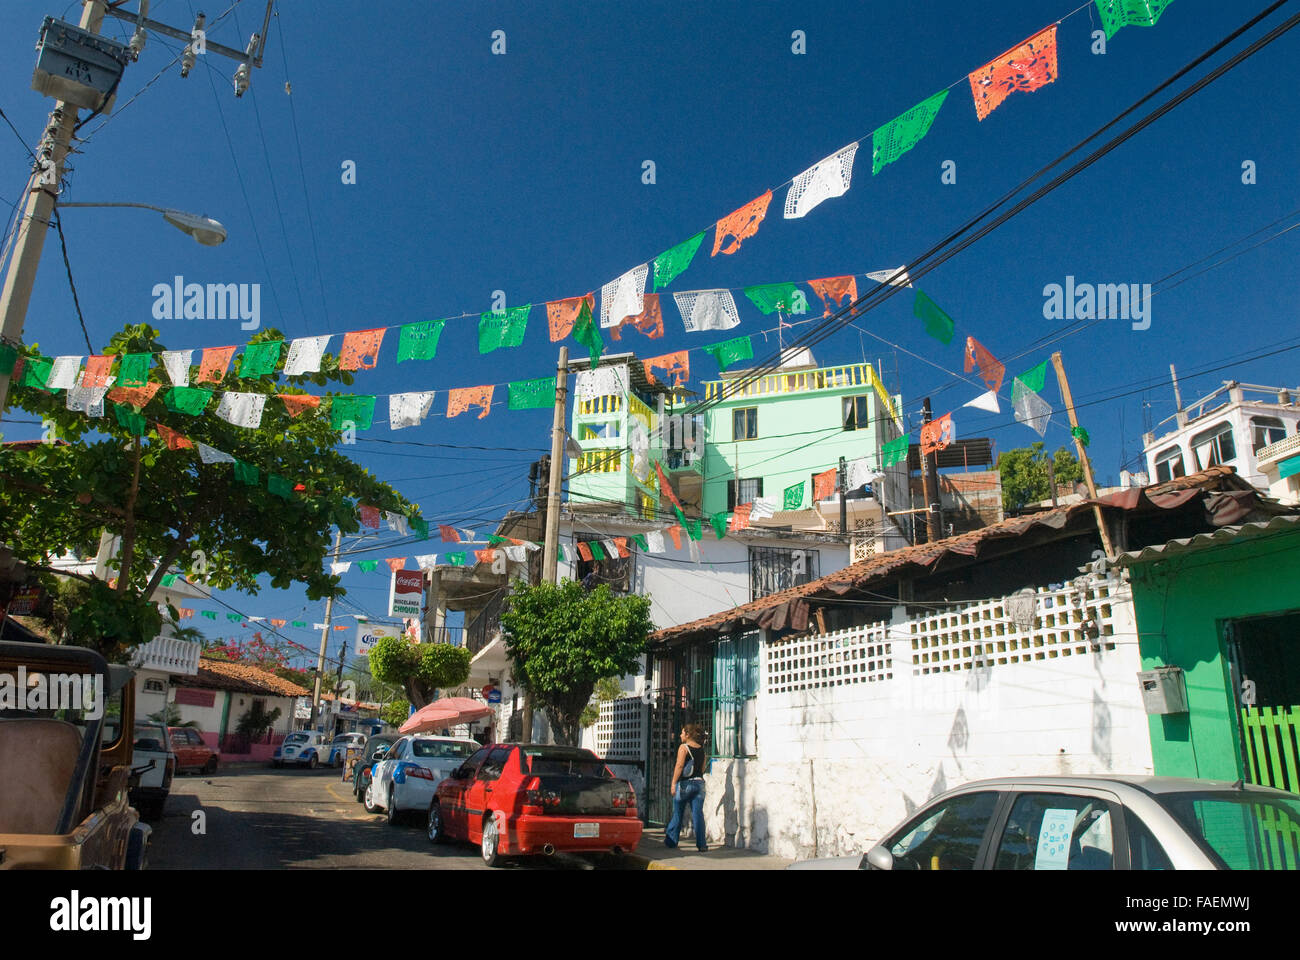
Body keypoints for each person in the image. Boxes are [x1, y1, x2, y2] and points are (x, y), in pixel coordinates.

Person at [664, 723, 708, 852]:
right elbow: (703, 767)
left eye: (682, 733)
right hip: (699, 784)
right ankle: (702, 845)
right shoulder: (701, 749)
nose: (680, 735)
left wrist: (673, 783)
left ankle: (672, 841)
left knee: (678, 812)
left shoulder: (683, 747)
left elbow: (679, 766)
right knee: (698, 814)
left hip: (684, 784)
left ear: (688, 735)